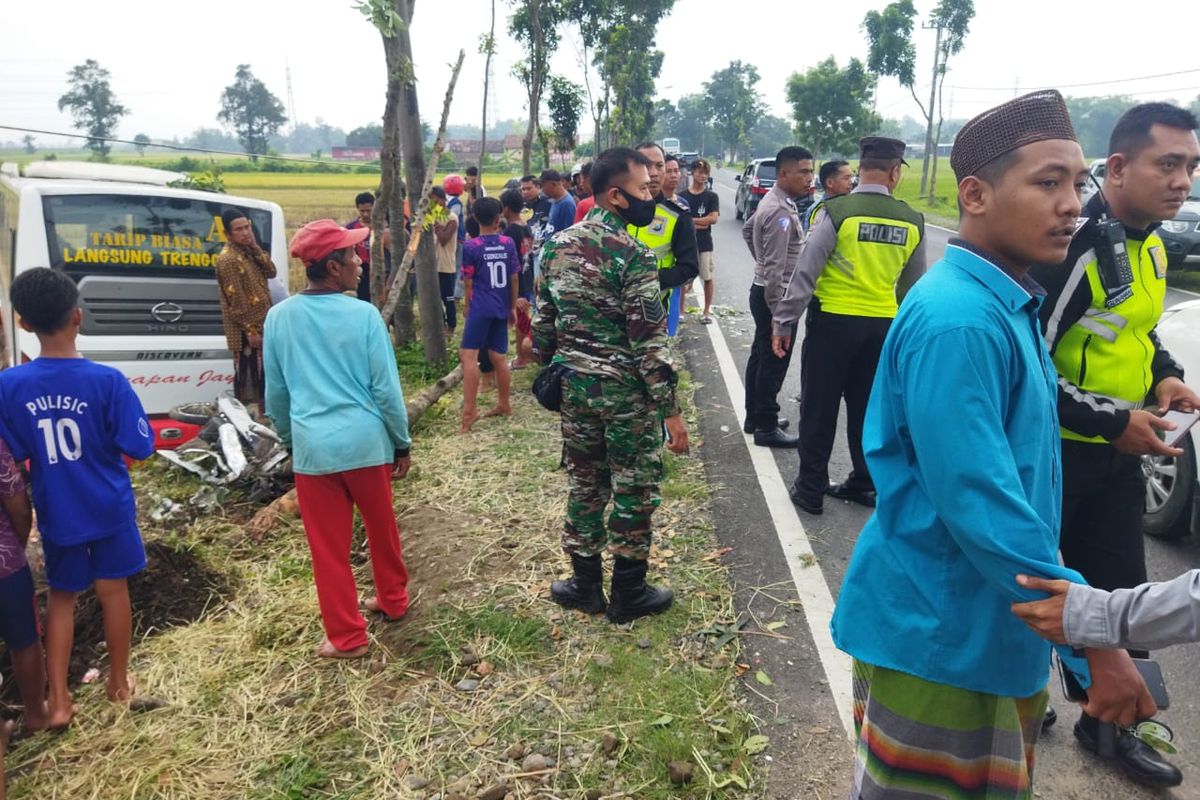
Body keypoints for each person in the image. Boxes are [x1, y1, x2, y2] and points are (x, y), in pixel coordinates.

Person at [830, 90, 1155, 800]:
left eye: (1078, 182)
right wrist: (1095, 639)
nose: (1073, 203)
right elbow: (985, 506)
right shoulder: (963, 323)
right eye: (1047, 182)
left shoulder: (1002, 302)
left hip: (980, 630)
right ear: (973, 194)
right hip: (944, 640)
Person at [1029, 102, 1200, 788]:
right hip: (1054, 458)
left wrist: (1168, 378)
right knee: (1031, 587)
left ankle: (1111, 725)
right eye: (1168, 164)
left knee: (1124, 596)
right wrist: (1109, 421)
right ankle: (1016, 696)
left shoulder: (1152, 244)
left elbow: (1137, 330)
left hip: (1118, 458)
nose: (1182, 180)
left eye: (1191, 167)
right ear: (1120, 167)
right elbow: (1028, 362)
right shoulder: (1074, 242)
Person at [534, 146, 689, 623]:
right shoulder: (634, 255)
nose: (653, 195)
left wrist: (557, 369)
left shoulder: (556, 246)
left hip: (577, 391)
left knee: (585, 485)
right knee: (633, 488)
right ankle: (628, 593)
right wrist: (671, 411)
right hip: (626, 398)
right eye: (645, 188)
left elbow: (543, 327)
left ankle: (584, 585)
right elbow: (649, 345)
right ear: (617, 197)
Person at [0, 268, 155, 727]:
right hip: (108, 505)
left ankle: (61, 702)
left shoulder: (9, 385)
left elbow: (15, 454)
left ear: (24, 323)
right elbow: (141, 446)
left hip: (56, 509)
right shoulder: (107, 381)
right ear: (78, 316)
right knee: (113, 590)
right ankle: (119, 684)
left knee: (62, 598)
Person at [264, 219, 412, 660]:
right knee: (382, 529)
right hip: (367, 445)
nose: (359, 263)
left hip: (315, 450)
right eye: (352, 256)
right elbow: (385, 389)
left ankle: (347, 637)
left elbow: (277, 393)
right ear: (332, 268)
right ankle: (393, 600)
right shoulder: (364, 316)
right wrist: (400, 442)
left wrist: (293, 440)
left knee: (329, 550)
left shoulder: (279, 318)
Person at [772, 138, 926, 513]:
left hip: (833, 325)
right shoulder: (912, 220)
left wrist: (784, 321)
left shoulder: (837, 211)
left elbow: (805, 271)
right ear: (894, 173)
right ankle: (864, 482)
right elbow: (913, 288)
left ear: (861, 170)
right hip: (883, 329)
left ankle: (810, 488)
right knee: (867, 409)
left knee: (819, 407)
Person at [740, 146, 812, 447]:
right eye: (804, 172)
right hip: (777, 297)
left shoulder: (777, 201)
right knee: (773, 360)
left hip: (765, 292)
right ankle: (767, 426)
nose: (811, 178)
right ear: (784, 174)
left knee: (761, 355)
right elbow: (775, 268)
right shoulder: (780, 210)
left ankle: (755, 416)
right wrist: (779, 314)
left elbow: (747, 230)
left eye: (811, 171)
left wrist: (762, 263)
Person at [459, 198, 521, 432]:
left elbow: (468, 282)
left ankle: (469, 411)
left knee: (468, 356)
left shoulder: (471, 247)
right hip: (501, 305)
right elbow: (514, 277)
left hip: (481, 306)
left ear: (475, 218)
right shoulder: (507, 243)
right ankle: (504, 403)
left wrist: (467, 305)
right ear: (498, 219)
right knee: (499, 357)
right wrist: (512, 306)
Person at [0, 436, 47, 734]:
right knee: (25, 640)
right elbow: (17, 503)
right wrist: (14, 547)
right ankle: (36, 715)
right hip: (5, 565)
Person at [629, 142, 700, 337]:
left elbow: (689, 268)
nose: (653, 173)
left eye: (659, 166)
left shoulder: (678, 216)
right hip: (612, 316)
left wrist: (647, 280)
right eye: (645, 164)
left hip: (654, 316)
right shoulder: (617, 208)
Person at [215, 208, 278, 407]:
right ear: (227, 234)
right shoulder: (228, 259)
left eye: (247, 228)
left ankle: (265, 414)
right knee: (251, 380)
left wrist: (256, 248)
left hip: (261, 325)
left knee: (265, 378)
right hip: (246, 332)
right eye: (239, 230)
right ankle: (254, 419)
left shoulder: (247, 252)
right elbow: (237, 301)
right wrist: (251, 330)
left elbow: (271, 271)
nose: (245, 233)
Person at [500, 188, 536, 368]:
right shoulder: (526, 226)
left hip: (518, 282)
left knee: (520, 320)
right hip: (527, 278)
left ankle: (523, 357)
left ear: (506, 208)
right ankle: (524, 354)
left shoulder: (509, 233)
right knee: (522, 318)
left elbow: (509, 264)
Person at [681, 158, 719, 324]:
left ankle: (706, 311)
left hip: (704, 243)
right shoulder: (682, 197)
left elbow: (713, 219)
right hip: (686, 243)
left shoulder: (711, 196)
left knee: (707, 276)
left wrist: (691, 221)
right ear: (693, 173)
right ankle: (680, 311)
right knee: (682, 278)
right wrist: (700, 221)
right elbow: (681, 220)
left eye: (706, 173)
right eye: (700, 172)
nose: (703, 176)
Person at [430, 187, 461, 335]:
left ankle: (451, 325)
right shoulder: (429, 217)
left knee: (448, 298)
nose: (433, 204)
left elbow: (443, 239)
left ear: (443, 200)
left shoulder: (452, 218)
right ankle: (441, 325)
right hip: (433, 264)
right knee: (435, 298)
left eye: (435, 201)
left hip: (445, 264)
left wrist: (436, 225)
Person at [346, 191, 377, 303]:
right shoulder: (351, 228)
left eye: (368, 211)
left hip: (380, 268)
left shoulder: (383, 227)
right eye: (362, 211)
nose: (365, 214)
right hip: (361, 270)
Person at [806, 159, 853, 230]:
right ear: (830, 183)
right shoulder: (819, 210)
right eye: (846, 178)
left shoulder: (852, 205)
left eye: (851, 177)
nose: (851, 182)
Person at [540, 169, 577, 240]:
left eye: (544, 186)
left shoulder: (567, 204)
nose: (543, 190)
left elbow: (568, 235)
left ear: (554, 184)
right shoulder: (555, 199)